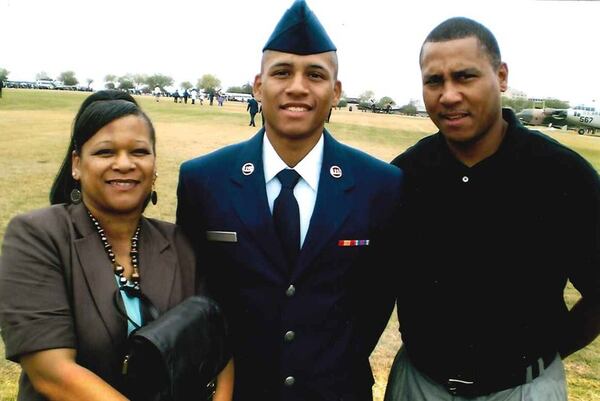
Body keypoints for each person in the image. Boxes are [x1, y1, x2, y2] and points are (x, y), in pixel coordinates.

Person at [176, 1, 403, 400]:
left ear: (335, 92)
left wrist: (329, 364)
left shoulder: (379, 185)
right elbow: (196, 295)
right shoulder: (203, 180)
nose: (297, 86)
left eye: (315, 75)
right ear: (258, 86)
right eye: (282, 72)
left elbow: (377, 299)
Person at [385, 17, 600, 401]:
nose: (448, 95)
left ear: (501, 76)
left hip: (525, 389)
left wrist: (542, 359)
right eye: (434, 81)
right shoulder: (404, 175)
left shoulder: (562, 175)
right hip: (419, 385)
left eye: (465, 77)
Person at [0, 89, 234, 401]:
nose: (124, 164)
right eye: (105, 152)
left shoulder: (180, 243)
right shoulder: (37, 236)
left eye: (139, 152)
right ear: (77, 165)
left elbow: (217, 343)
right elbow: (52, 373)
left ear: (154, 165)